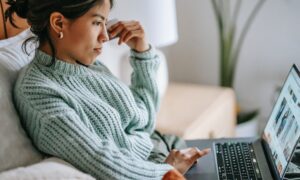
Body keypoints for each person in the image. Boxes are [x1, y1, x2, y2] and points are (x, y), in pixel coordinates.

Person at [6, 0, 210, 179]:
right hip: (154, 171)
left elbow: (144, 121)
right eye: (96, 22)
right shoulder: (37, 92)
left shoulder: (89, 66)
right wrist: (167, 171)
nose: (104, 35)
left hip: (163, 149)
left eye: (105, 22)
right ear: (58, 23)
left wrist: (142, 52)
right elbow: (101, 162)